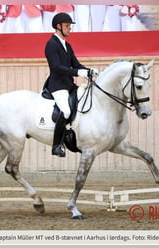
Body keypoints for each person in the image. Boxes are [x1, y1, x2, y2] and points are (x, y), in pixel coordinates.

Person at [44, 12, 97, 157]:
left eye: (69, 26)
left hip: (69, 85)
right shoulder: (51, 45)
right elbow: (56, 68)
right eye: (67, 26)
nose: (70, 29)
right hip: (57, 86)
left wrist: (89, 71)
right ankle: (56, 146)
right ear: (58, 26)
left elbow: (76, 64)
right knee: (66, 111)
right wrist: (78, 73)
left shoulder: (67, 45)